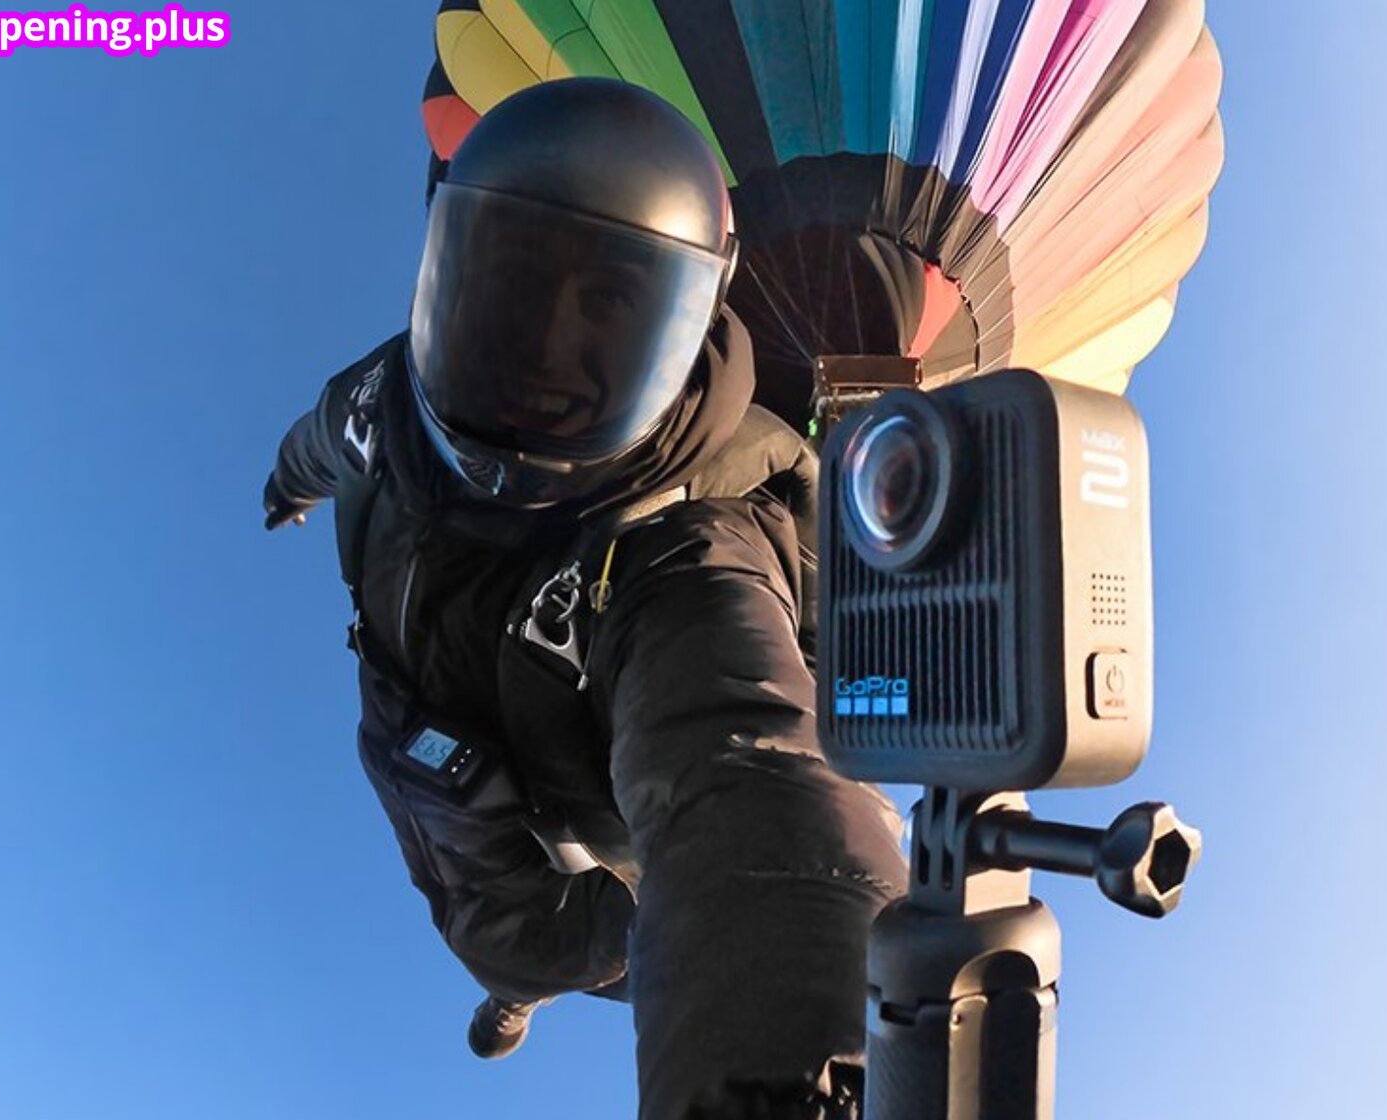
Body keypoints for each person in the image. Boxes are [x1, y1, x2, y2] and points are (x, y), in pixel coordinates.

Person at [261, 78, 907, 1119]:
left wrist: (815, 1047)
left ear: (681, 333)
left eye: (608, 305)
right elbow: (320, 439)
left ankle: (530, 984)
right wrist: (285, 489)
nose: (551, 353)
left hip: (566, 804)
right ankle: (520, 983)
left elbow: (752, 778)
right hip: (420, 730)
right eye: (521, 282)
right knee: (481, 905)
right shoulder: (383, 404)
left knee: (546, 936)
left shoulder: (691, 541)